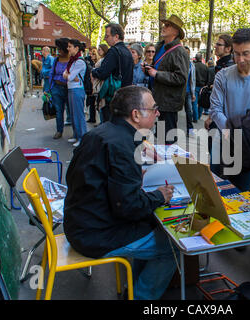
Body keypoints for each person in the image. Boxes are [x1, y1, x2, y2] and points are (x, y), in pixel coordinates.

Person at [64, 85, 177, 300]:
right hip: (95, 234)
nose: (158, 113)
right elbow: (129, 207)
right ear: (136, 115)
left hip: (82, 221)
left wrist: (133, 180)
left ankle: (133, 290)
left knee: (153, 227)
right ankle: (139, 297)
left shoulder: (102, 132)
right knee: (172, 247)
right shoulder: (123, 145)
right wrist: (159, 196)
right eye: (154, 108)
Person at [210, 28, 250, 192]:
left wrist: (244, 129)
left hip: (249, 145)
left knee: (241, 194)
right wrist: (231, 129)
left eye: (246, 53)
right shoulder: (222, 76)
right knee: (216, 191)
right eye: (236, 54)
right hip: (222, 141)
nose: (240, 59)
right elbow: (215, 109)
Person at [144, 14, 189, 144]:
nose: (163, 27)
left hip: (169, 103)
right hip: (157, 99)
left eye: (167, 25)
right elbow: (155, 69)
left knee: (168, 139)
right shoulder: (160, 46)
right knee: (160, 136)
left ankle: (168, 162)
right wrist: (148, 70)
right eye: (164, 24)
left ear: (176, 31)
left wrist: (156, 74)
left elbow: (181, 78)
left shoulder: (179, 51)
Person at [204, 34, 235, 174]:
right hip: (218, 117)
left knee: (217, 158)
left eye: (219, 44)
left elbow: (224, 96)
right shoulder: (221, 64)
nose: (215, 46)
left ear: (228, 48)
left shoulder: (227, 67)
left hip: (221, 119)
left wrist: (212, 116)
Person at [92, 23, 134, 122]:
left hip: (113, 97)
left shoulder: (113, 51)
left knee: (109, 126)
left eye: (107, 36)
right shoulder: (127, 51)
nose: (105, 39)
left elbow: (103, 73)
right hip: (125, 95)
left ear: (116, 36)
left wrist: (93, 71)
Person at [63, 39, 87, 147]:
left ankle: (82, 137)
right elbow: (67, 75)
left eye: (70, 46)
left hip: (77, 89)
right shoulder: (73, 61)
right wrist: (69, 76)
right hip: (72, 89)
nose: (68, 49)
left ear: (76, 48)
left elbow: (69, 76)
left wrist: (69, 76)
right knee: (73, 114)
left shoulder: (79, 62)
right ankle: (76, 135)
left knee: (78, 115)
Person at [47, 38, 70, 140]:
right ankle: (59, 130)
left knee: (71, 110)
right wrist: (49, 88)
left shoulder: (72, 60)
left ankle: (76, 131)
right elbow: (51, 73)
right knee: (58, 111)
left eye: (60, 49)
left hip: (69, 88)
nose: (58, 51)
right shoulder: (56, 60)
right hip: (56, 88)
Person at [184, 46, 196, 136]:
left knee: (189, 111)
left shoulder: (191, 65)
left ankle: (190, 130)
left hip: (188, 92)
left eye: (187, 53)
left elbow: (193, 80)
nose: (186, 54)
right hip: (178, 92)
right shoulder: (178, 63)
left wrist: (193, 93)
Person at [193, 52, 208, 121]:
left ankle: (195, 117)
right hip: (202, 86)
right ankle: (198, 116)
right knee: (201, 102)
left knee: (194, 102)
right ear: (201, 58)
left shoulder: (194, 66)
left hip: (195, 85)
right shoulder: (205, 67)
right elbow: (207, 77)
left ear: (196, 58)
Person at [86, 47, 99, 123]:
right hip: (90, 85)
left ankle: (94, 118)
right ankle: (92, 117)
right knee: (91, 102)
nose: (91, 55)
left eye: (93, 54)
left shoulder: (97, 63)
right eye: (90, 54)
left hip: (95, 85)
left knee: (96, 103)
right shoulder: (90, 62)